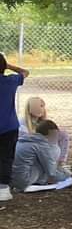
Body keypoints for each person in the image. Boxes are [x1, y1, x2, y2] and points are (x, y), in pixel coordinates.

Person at [0, 53, 30, 202]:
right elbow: (25, 72)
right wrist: (9, 66)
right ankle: (3, 189)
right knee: (6, 157)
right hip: (9, 127)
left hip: (9, 127)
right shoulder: (10, 81)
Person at [12, 120, 70, 191]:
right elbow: (51, 172)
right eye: (55, 135)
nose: (56, 138)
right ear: (51, 133)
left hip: (12, 179)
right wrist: (69, 176)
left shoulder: (27, 139)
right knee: (53, 152)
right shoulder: (42, 145)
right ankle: (41, 182)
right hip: (25, 181)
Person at [20, 96, 71, 168]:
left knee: (62, 134)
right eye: (35, 106)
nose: (39, 109)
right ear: (29, 109)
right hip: (30, 155)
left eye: (41, 106)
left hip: (44, 152)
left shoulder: (44, 123)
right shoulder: (22, 123)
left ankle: (60, 163)